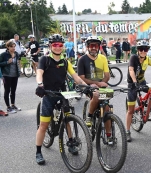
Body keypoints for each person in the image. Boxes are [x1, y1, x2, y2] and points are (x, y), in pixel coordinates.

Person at [35, 34, 87, 165]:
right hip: (48, 94)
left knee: (67, 118)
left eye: (60, 45)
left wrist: (87, 87)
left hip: (62, 94)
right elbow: (39, 73)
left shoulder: (65, 61)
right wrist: (40, 84)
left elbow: (76, 77)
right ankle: (38, 151)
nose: (58, 47)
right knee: (43, 125)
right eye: (55, 45)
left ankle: (70, 143)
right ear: (50, 46)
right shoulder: (45, 59)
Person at [77, 36, 110, 127]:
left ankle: (109, 137)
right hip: (87, 86)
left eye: (96, 46)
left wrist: (101, 84)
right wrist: (97, 84)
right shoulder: (82, 60)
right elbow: (81, 78)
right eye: (91, 46)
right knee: (96, 95)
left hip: (100, 87)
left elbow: (107, 76)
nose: (94, 48)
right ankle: (89, 116)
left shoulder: (103, 58)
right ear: (87, 47)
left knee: (107, 110)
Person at [0, 40, 22, 114]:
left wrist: (19, 71)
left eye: (14, 46)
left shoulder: (16, 54)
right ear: (8, 47)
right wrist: (7, 62)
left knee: (13, 91)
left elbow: (18, 63)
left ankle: (13, 105)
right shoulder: (4, 55)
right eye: (11, 47)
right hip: (6, 75)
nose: (13, 48)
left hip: (15, 75)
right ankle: (8, 107)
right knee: (7, 91)